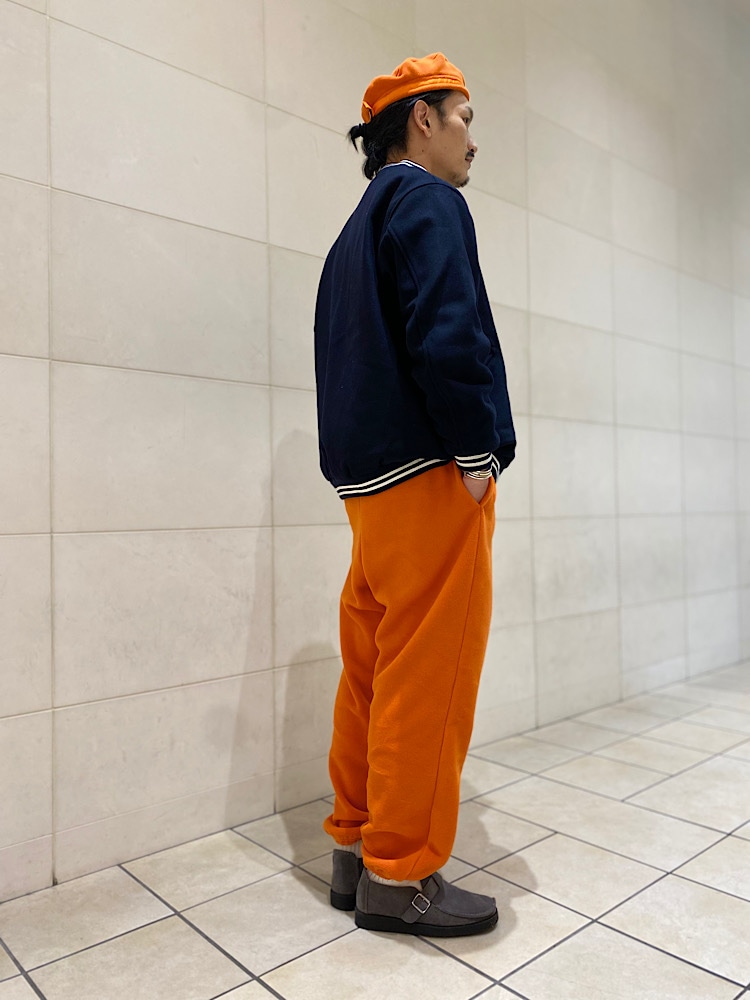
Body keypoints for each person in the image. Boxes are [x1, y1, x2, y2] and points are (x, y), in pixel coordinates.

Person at [314, 53, 516, 937]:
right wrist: (475, 449)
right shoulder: (430, 201)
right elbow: (449, 331)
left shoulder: (352, 232)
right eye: (464, 116)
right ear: (422, 120)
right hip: (430, 473)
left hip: (367, 488)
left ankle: (355, 847)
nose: (473, 137)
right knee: (428, 679)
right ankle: (402, 874)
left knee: (372, 671)